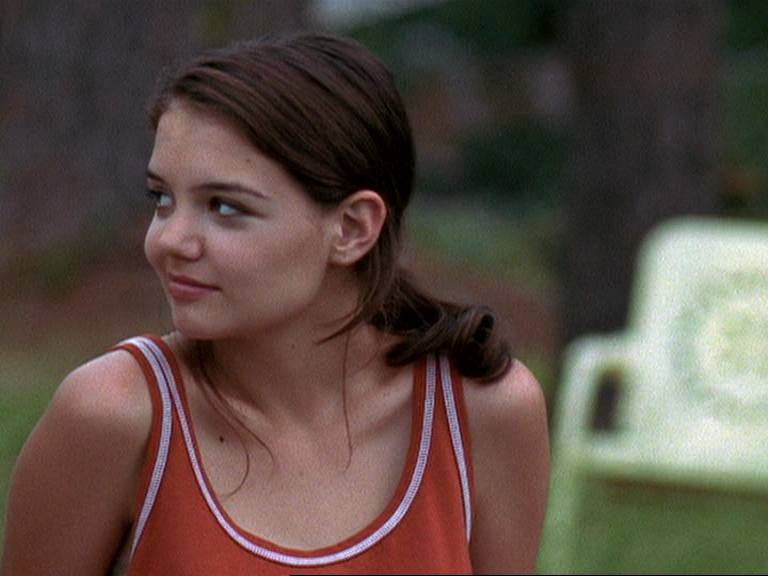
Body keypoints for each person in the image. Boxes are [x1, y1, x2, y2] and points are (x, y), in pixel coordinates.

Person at [0, 32, 549, 575]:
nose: (168, 240)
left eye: (225, 207)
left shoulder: (481, 413)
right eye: (162, 198)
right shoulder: (112, 417)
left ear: (353, 229)